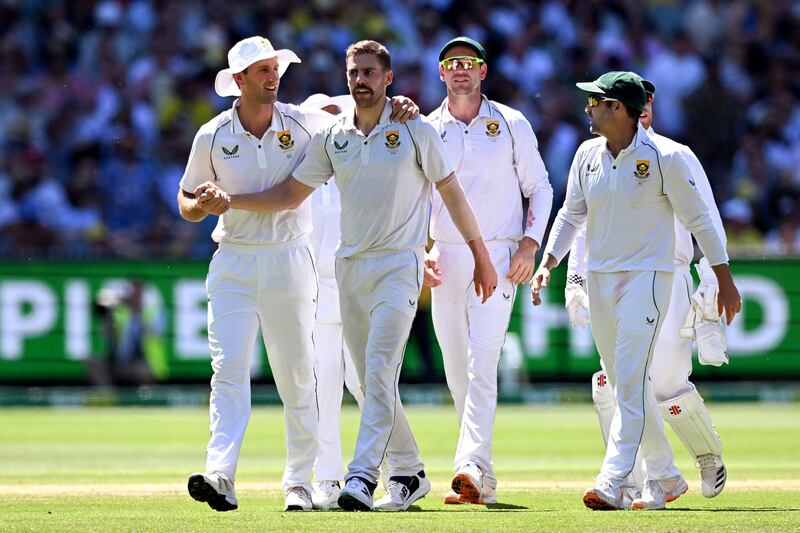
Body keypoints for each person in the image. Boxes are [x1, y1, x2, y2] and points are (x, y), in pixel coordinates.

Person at [218, 40, 497, 512]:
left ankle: (362, 477)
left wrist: (481, 254)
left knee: (380, 370)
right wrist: (230, 200)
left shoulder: (415, 129)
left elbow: (450, 191)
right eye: (354, 73)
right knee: (370, 382)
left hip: (398, 264)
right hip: (351, 267)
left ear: (388, 79)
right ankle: (408, 471)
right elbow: (289, 195)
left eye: (370, 72)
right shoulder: (334, 137)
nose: (360, 80)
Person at [179, 36, 417, 513]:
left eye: (275, 68)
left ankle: (298, 484)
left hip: (288, 258)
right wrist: (202, 206)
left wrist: (403, 105)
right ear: (239, 81)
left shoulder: (302, 121)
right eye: (263, 70)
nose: (273, 77)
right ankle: (221, 473)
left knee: (295, 377)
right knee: (226, 371)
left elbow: (359, 111)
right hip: (233, 260)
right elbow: (185, 202)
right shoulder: (211, 135)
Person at [532, 71, 741, 511]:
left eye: (598, 100)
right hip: (603, 277)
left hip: (661, 275)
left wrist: (718, 279)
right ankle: (663, 474)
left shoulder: (671, 155)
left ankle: (621, 478)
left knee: (652, 382)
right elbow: (575, 217)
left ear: (625, 107)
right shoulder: (588, 154)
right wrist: (557, 268)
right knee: (624, 382)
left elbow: (705, 222)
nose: (589, 106)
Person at [423, 37, 553, 505]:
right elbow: (414, 196)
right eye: (451, 64)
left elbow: (539, 188)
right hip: (445, 255)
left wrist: (530, 244)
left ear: (483, 72)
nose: (460, 70)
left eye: (469, 64)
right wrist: (423, 249)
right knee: (458, 368)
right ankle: (483, 475)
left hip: (497, 253)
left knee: (483, 360)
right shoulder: (425, 126)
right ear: (441, 73)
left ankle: (468, 466)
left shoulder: (511, 122)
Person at [300, 93, 365, 510]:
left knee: (369, 384)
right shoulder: (299, 170)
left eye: (333, 116)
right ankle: (327, 477)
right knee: (323, 388)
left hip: (358, 285)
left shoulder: (359, 162)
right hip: (315, 291)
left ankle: (401, 470)